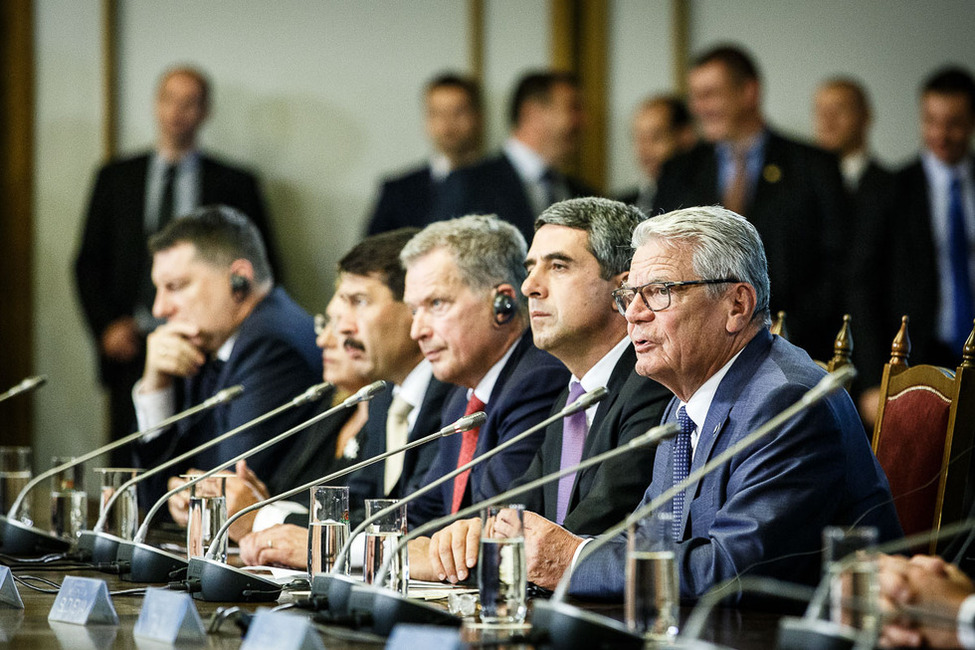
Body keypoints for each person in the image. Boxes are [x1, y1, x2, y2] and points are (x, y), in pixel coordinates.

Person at [505, 206, 901, 599]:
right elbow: (646, 538)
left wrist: (574, 558)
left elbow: (731, 570)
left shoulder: (787, 403)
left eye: (659, 292)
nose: (635, 315)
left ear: (737, 306)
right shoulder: (684, 405)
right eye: (629, 296)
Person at [412, 198, 672, 585]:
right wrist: (464, 537)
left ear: (623, 291)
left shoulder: (650, 386)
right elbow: (514, 512)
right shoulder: (571, 397)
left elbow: (586, 529)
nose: (530, 287)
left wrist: (473, 552)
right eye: (530, 268)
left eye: (558, 266)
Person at [74, 66, 278, 465]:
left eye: (189, 103)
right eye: (169, 99)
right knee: (131, 459)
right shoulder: (116, 177)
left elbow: (260, 265)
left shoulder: (236, 182)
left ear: (205, 112)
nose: (177, 112)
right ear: (155, 104)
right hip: (130, 345)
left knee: (201, 453)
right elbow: (87, 263)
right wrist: (106, 325)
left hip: (207, 343)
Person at [235, 229, 456, 564]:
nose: (341, 330)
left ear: (414, 304)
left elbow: (423, 526)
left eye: (359, 302)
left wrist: (264, 520)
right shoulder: (385, 397)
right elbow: (357, 505)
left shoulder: (453, 393)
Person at [654, 45, 848, 360]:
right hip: (698, 353)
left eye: (711, 94)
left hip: (797, 350)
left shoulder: (813, 167)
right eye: (695, 96)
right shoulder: (679, 171)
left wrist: (782, 327)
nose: (699, 107)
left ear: (748, 92)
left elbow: (837, 265)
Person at [131, 205, 319, 506]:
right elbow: (148, 494)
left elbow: (223, 498)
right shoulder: (207, 341)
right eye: (158, 289)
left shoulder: (272, 344)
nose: (159, 309)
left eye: (175, 287)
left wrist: (177, 496)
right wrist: (156, 386)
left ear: (239, 280)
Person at [401, 215, 569, 528]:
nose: (417, 331)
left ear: (502, 303)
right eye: (414, 310)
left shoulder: (538, 379)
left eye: (436, 303)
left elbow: (494, 525)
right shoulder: (460, 399)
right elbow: (420, 513)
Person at [813, 76, 897, 417]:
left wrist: (880, 372)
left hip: (876, 355)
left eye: (840, 111)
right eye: (820, 112)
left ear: (866, 116)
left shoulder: (893, 187)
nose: (827, 121)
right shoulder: (803, 190)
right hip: (812, 353)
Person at [434, 71, 595, 243]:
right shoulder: (467, 185)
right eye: (573, 108)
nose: (584, 120)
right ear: (532, 113)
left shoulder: (583, 194)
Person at [890, 66, 975, 369]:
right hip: (918, 353)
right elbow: (862, 283)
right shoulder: (892, 187)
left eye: (953, 124)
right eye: (931, 122)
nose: (940, 134)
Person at [365, 73, 483, 235]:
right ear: (426, 119)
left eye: (458, 113)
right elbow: (369, 254)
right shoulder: (398, 191)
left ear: (477, 116)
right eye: (438, 113)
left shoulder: (502, 184)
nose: (448, 124)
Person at [618, 96, 696, 215]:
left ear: (685, 136)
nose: (644, 150)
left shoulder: (700, 198)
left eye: (655, 138)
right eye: (639, 139)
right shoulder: (623, 205)